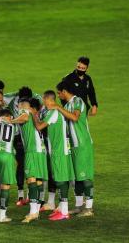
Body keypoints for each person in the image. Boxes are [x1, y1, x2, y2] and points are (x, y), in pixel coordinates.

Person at [49, 81, 95, 217]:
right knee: (76, 178)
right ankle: (79, 206)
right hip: (72, 146)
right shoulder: (67, 105)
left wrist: (57, 106)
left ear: (64, 91)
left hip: (82, 144)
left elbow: (75, 117)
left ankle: (89, 208)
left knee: (85, 177)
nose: (58, 95)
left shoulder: (78, 101)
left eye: (59, 92)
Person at [31, 90, 75, 221]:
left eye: (44, 100)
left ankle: (64, 212)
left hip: (59, 151)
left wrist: (34, 114)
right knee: (60, 179)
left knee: (61, 180)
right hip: (61, 150)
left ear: (47, 99)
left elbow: (39, 127)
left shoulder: (53, 112)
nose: (43, 103)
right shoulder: (56, 112)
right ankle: (62, 208)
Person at [9, 98, 48, 223]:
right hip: (41, 150)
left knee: (31, 179)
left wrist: (11, 121)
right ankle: (35, 211)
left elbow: (24, 118)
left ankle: (32, 213)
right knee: (38, 181)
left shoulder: (25, 111)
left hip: (32, 151)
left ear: (22, 105)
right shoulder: (33, 113)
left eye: (19, 105)